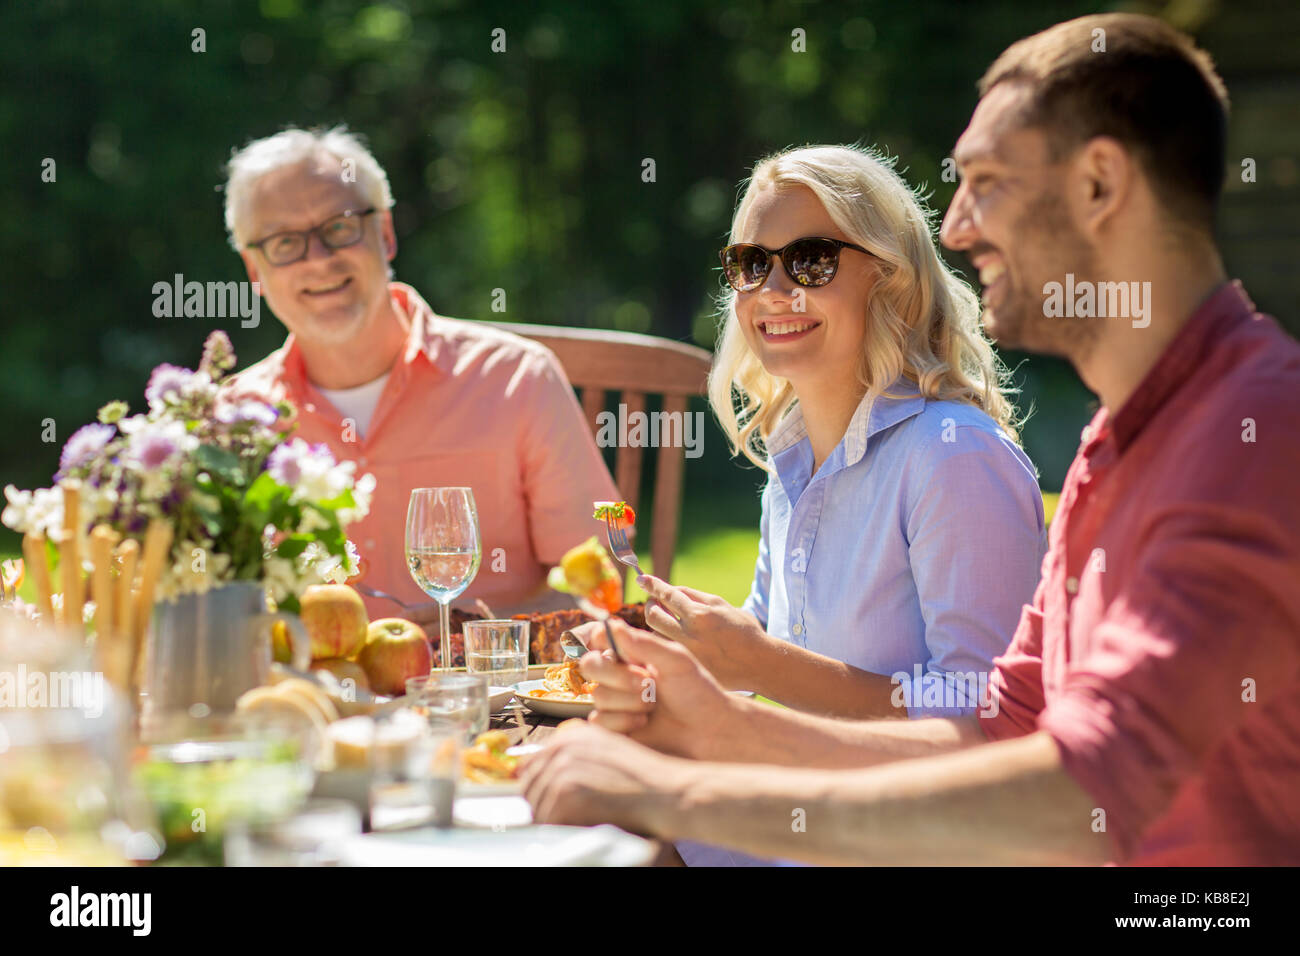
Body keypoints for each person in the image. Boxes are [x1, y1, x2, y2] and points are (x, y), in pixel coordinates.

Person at [522, 13, 1300, 865]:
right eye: (750, 264)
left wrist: (677, 792)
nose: (957, 228)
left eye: (986, 182)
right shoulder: (1115, 444)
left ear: (1099, 184)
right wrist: (719, 720)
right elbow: (1003, 726)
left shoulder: (1248, 430)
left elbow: (1089, 794)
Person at [638, 145, 1045, 725]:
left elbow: (988, 709)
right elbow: (774, 639)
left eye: (811, 260)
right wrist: (681, 657)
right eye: (751, 263)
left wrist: (761, 664)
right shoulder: (791, 456)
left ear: (889, 277)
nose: (775, 289)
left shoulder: (954, 455)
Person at [220, 127, 619, 621]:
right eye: (284, 242)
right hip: (313, 697)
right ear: (254, 270)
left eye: (339, 227)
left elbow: (605, 581)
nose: (319, 259)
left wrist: (475, 634)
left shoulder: (518, 378)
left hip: (497, 695)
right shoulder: (233, 421)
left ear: (384, 233)